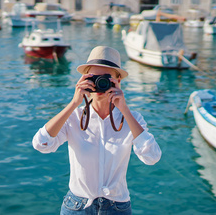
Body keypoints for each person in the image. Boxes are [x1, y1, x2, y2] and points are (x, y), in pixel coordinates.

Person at [32, 46, 162, 214]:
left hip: (118, 207)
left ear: (118, 82)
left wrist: (124, 110)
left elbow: (152, 157)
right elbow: (41, 144)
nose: (100, 83)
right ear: (84, 80)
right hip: (77, 207)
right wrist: (73, 103)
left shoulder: (132, 119)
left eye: (105, 78)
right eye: (94, 78)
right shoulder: (73, 117)